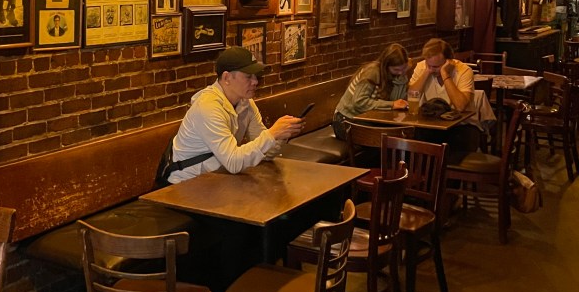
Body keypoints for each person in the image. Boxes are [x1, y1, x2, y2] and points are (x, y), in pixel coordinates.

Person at [168, 46, 304, 184]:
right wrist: (273, 134)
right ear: (227, 77)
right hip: (186, 185)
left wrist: (282, 135)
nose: (255, 81)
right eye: (248, 76)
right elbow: (233, 162)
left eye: (255, 76)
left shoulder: (246, 103)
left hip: (217, 180)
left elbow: (266, 154)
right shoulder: (208, 107)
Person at [409, 38, 485, 151]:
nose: (432, 69)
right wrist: (426, 72)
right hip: (432, 125)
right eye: (429, 65)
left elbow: (460, 106)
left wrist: (445, 74)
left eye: (436, 67)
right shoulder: (423, 67)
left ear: (449, 61)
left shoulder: (464, 71)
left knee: (448, 149)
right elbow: (411, 95)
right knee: (414, 145)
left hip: (462, 126)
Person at [332, 43, 413, 140]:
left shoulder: (395, 75)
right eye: (396, 69)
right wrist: (391, 105)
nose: (400, 72)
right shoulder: (372, 72)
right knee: (389, 140)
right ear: (386, 66)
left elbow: (398, 99)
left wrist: (402, 78)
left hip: (367, 119)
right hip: (345, 120)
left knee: (405, 134)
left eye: (404, 68)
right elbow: (358, 102)